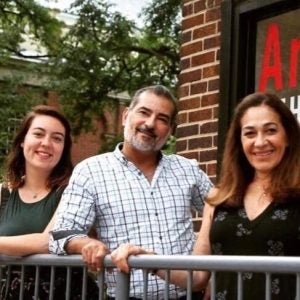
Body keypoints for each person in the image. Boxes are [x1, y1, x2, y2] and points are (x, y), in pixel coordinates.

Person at [111, 92, 300, 300]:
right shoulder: (221, 196)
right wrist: (149, 260)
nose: (260, 142)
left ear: (288, 136)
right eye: (249, 133)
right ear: (239, 141)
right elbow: (198, 275)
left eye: (271, 130)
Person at [49, 84, 213, 299]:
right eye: (144, 112)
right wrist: (87, 243)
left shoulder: (187, 169)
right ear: (126, 115)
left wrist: (215, 273)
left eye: (162, 119)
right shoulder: (91, 171)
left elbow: (224, 215)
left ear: (171, 130)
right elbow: (61, 234)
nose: (150, 124)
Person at [0, 105, 98, 299]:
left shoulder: (74, 189)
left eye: (57, 138)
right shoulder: (3, 192)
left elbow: (51, 240)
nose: (46, 143)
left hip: (65, 292)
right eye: (38, 134)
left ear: (64, 148)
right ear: (22, 140)